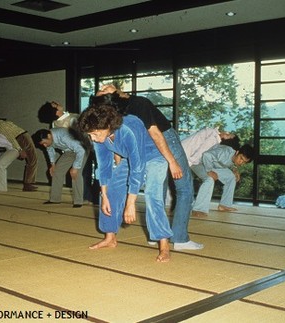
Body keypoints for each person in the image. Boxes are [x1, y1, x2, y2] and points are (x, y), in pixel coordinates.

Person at [91, 85, 203, 251]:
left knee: (169, 187)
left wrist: (171, 162)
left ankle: (177, 237)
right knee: (181, 188)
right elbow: (153, 134)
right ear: (112, 97)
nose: (102, 87)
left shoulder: (132, 105)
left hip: (157, 143)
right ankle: (159, 236)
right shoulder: (126, 108)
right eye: (102, 91)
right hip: (157, 139)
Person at [77, 103, 173, 262]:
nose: (92, 139)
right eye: (90, 135)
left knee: (152, 195)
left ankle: (164, 245)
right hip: (131, 159)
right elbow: (104, 167)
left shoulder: (129, 128)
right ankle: (110, 238)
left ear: (107, 126)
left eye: (94, 134)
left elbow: (138, 167)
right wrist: (105, 195)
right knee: (110, 190)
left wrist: (130, 203)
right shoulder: (99, 137)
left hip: (154, 156)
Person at [38, 100, 96, 205]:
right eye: (54, 105)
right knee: (78, 172)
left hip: (84, 148)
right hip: (80, 148)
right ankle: (58, 199)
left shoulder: (56, 123)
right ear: (56, 112)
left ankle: (85, 199)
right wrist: (53, 164)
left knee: (81, 173)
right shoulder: (71, 120)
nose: (56, 103)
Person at [191, 144, 254, 217]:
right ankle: (198, 209)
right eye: (241, 158)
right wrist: (209, 171)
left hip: (211, 166)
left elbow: (226, 163)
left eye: (244, 162)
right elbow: (206, 155)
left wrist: (234, 169)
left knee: (231, 177)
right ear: (237, 152)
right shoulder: (224, 152)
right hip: (198, 163)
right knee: (210, 179)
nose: (241, 162)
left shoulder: (233, 157)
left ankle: (224, 205)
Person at [32, 128, 87, 207]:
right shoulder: (48, 139)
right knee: (56, 171)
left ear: (49, 136)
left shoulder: (64, 137)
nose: (45, 145)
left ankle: (78, 201)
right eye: (43, 144)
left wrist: (75, 167)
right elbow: (50, 150)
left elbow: (80, 150)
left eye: (44, 143)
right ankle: (55, 199)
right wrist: (53, 165)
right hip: (69, 151)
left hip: (82, 149)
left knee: (76, 173)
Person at [0, 115, 38, 192]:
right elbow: (10, 138)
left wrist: (19, 149)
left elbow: (11, 137)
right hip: (17, 142)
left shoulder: (0, 124)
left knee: (32, 160)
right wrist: (19, 149)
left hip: (20, 140)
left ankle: (28, 184)